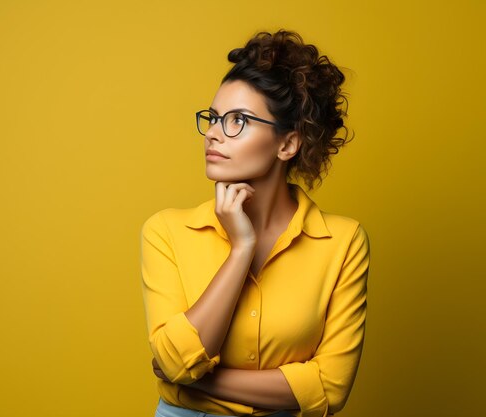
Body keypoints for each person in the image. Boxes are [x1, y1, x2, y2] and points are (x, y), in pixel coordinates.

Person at [140, 29, 370, 417]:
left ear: (287, 145)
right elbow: (178, 363)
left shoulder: (343, 242)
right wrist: (241, 250)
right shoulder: (166, 232)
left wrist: (194, 379)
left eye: (237, 121)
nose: (213, 133)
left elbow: (329, 389)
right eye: (213, 118)